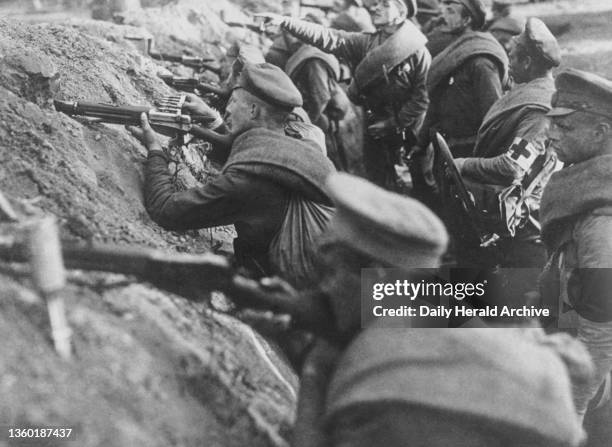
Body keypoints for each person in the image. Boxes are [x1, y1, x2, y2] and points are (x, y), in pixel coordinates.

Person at [281, 173, 588, 447]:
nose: (323, 289)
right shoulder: (441, 315)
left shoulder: (385, 390)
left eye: (330, 272)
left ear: (378, 278)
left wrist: (316, 368)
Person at [128, 63, 336, 288]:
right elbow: (248, 152)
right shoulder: (298, 145)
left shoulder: (250, 182)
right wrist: (213, 121)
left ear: (254, 110)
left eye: (233, 103)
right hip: (329, 275)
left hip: (290, 293)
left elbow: (166, 209)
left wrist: (155, 151)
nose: (226, 109)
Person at [257, 0, 431, 190]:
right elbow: (328, 36)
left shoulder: (418, 52)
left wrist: (393, 124)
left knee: (421, 182)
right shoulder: (367, 42)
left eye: (385, 4)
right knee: (378, 180)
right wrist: (285, 21)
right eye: (378, 3)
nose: (376, 7)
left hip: (408, 130)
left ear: (401, 14)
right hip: (374, 123)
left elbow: (422, 99)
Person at [449, 18, 561, 275]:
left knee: (527, 291)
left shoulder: (538, 111)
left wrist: (465, 164)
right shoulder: (528, 91)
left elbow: (512, 167)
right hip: (513, 215)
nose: (507, 63)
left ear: (527, 62)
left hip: (528, 223)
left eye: (511, 57)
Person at [541, 68, 612, 424]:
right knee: (400, 297)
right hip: (558, 312)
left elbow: (601, 333)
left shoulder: (601, 220)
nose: (551, 134)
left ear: (600, 133)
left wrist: (573, 411)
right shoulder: (587, 186)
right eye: (553, 123)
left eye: (565, 127)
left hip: (588, 367)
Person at [416, 0, 508, 158]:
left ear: (467, 20)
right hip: (448, 147)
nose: (443, 16)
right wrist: (421, 143)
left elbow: (493, 115)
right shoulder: (453, 54)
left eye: (451, 12)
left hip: (473, 150)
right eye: (444, 10)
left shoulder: (481, 61)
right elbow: (436, 103)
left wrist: (487, 160)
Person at [283, 16, 364, 173]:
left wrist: (308, 123)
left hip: (327, 118)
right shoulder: (311, 54)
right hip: (330, 114)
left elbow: (321, 97)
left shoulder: (312, 60)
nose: (289, 38)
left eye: (292, 34)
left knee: (334, 165)